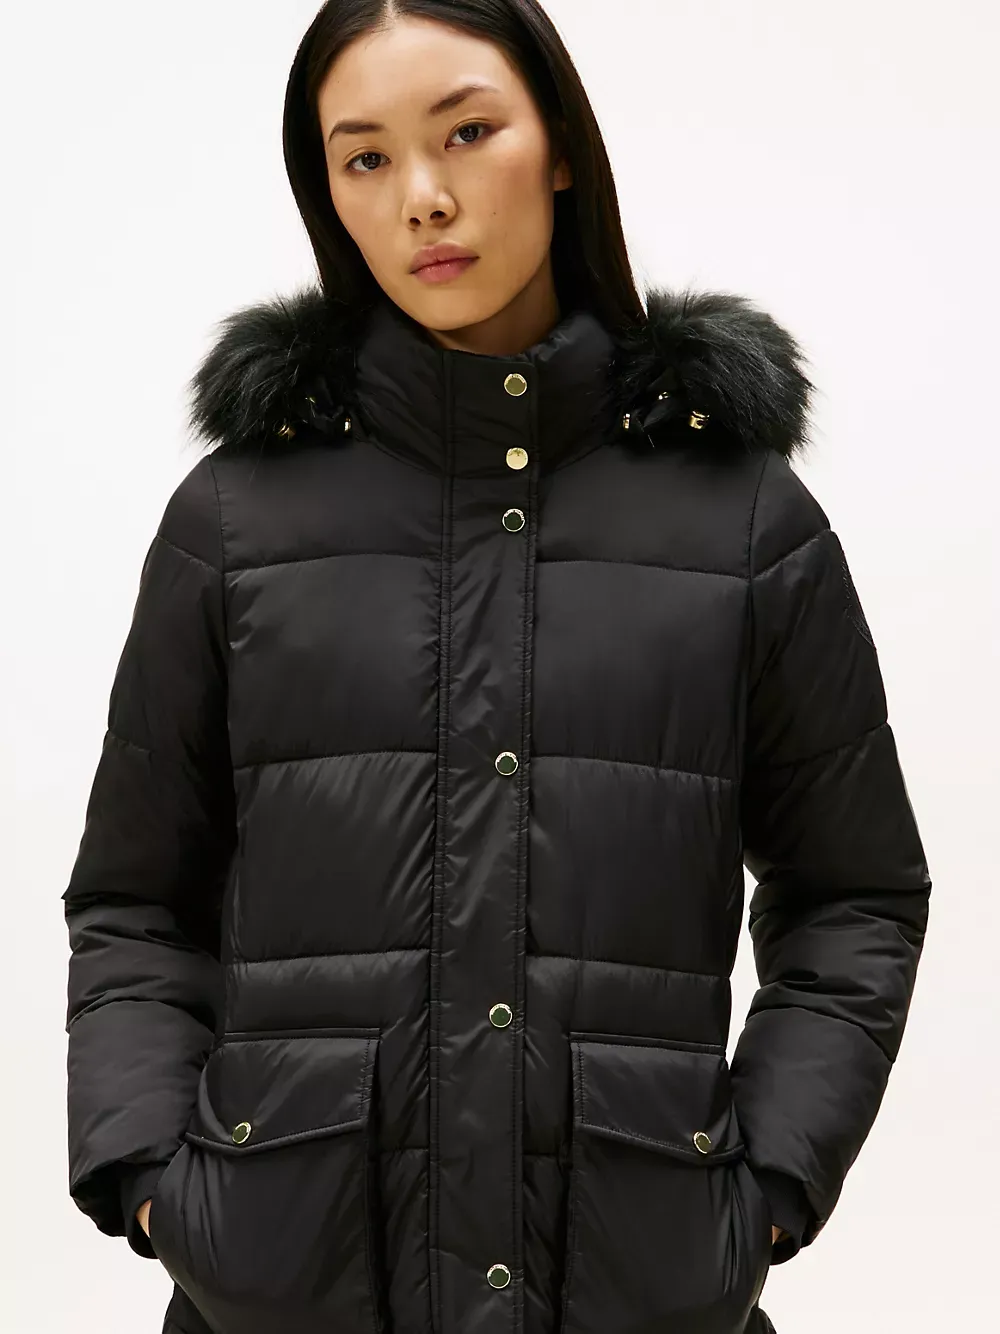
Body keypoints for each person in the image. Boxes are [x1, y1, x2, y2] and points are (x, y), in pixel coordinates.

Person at [62, 3, 932, 1333]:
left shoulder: (744, 521)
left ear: (561, 145)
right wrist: (153, 1181)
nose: (422, 195)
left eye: (467, 132)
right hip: (287, 1292)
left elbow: (854, 894)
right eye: (365, 158)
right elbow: (136, 902)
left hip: (638, 1291)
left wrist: (766, 1184)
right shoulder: (235, 522)